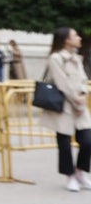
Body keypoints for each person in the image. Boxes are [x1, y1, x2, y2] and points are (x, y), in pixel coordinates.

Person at [36, 26, 91, 193]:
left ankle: (80, 172)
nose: (79, 38)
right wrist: (76, 101)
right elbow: (62, 83)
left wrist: (83, 94)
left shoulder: (77, 58)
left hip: (79, 105)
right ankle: (70, 176)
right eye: (75, 36)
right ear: (66, 40)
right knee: (64, 144)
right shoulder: (55, 58)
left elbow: (83, 80)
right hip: (63, 107)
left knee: (88, 141)